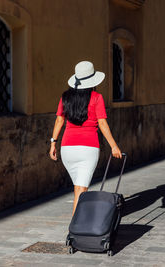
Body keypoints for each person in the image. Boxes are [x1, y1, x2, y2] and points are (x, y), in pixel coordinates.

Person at [49, 61, 122, 215]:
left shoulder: (65, 97)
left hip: (68, 149)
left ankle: (78, 223)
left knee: (78, 187)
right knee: (81, 190)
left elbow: (59, 120)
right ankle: (76, 227)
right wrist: (114, 146)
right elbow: (102, 123)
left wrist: (53, 143)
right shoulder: (96, 97)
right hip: (88, 149)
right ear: (92, 80)